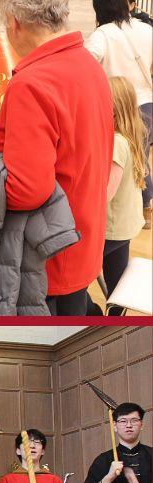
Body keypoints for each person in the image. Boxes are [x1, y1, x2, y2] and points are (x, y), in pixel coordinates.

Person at [0, 0, 113, 315]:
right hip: (82, 237)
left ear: (14, 22)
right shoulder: (88, 65)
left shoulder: (32, 82)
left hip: (47, 256)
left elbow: (26, 190)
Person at [86, 0, 153, 223]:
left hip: (115, 108)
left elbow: (84, 64)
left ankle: (124, 209)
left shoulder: (102, 34)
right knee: (139, 155)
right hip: (146, 104)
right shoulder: (146, 29)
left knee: (118, 159)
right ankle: (145, 205)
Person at [102, 77, 150, 310]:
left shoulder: (116, 143)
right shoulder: (133, 134)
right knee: (117, 280)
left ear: (112, 108)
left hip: (112, 228)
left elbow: (106, 195)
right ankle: (115, 315)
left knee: (78, 276)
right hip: (126, 225)